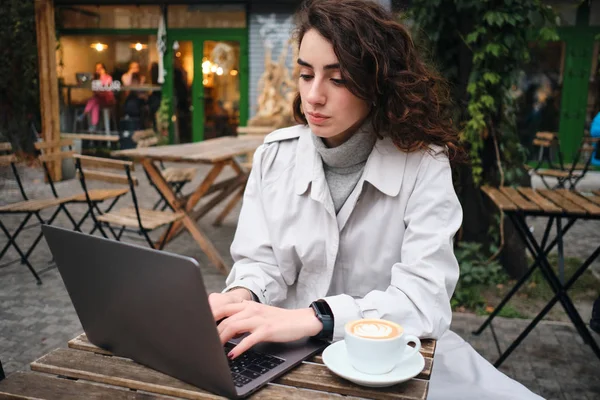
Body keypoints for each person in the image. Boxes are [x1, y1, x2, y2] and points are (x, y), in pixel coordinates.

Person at [208, 1, 543, 399]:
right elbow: (260, 262)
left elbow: (424, 299)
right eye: (305, 74)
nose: (313, 96)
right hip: (287, 358)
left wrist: (317, 319)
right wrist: (240, 297)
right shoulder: (274, 155)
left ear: (378, 80)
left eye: (338, 79)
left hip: (396, 362)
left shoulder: (424, 163)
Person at [80, 63, 115, 131]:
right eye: (97, 69)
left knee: (94, 100)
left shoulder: (108, 78)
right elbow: (84, 82)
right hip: (98, 99)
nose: (98, 70)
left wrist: (101, 77)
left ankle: (85, 114)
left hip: (107, 99)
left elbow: (106, 89)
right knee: (95, 105)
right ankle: (94, 125)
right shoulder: (95, 78)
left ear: (104, 69)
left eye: (100, 68)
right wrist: (90, 78)